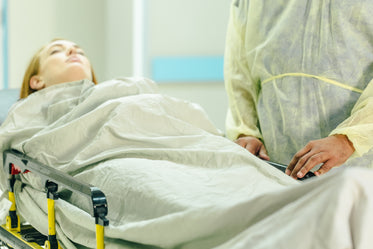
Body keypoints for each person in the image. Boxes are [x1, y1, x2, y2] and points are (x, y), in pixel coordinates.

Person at [224, 0, 373, 179]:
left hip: (361, 166)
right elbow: (238, 66)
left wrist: (349, 139)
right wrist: (246, 131)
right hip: (272, 166)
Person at [20, 39, 98, 99]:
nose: (73, 51)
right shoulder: (19, 119)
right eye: (56, 51)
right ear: (37, 82)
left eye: (80, 52)